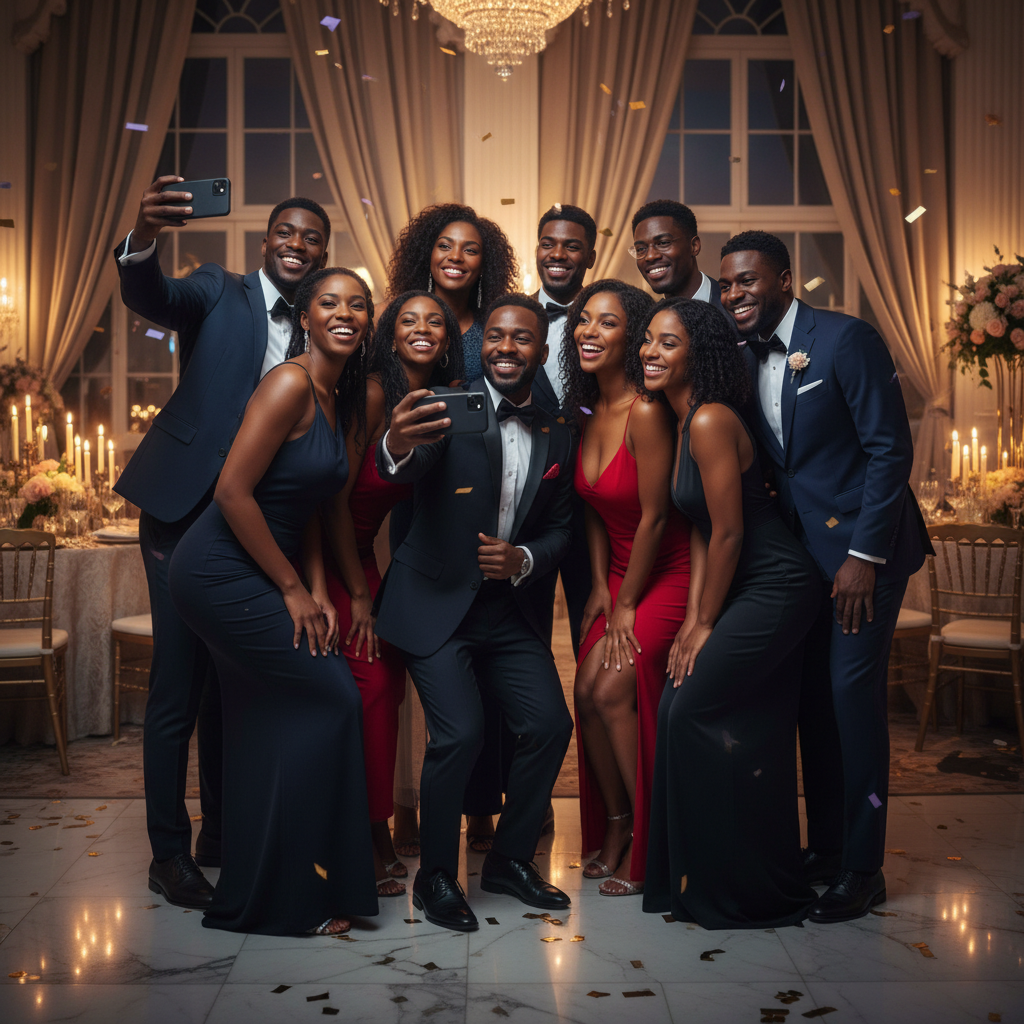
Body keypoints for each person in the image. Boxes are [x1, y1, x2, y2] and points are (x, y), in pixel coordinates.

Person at [114, 175, 330, 909]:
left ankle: (221, 832)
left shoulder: (321, 330)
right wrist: (144, 236)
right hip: (182, 512)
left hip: (258, 526)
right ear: (265, 240)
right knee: (179, 682)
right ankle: (168, 854)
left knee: (232, 680)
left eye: (312, 238)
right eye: (287, 232)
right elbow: (152, 298)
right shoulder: (220, 290)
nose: (298, 244)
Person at [719, 231, 932, 923]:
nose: (735, 294)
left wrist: (864, 559)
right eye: (726, 286)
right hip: (806, 561)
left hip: (867, 557)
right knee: (814, 703)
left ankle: (863, 867)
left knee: (851, 698)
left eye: (747, 281)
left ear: (785, 278)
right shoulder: (742, 357)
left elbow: (888, 449)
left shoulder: (845, 339)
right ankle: (830, 848)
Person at [168, 268, 378, 936]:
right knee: (333, 697)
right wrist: (291, 588)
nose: (346, 312)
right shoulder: (288, 382)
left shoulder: (338, 396)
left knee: (264, 721)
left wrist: (319, 587)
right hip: (219, 569)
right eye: (330, 303)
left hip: (271, 567)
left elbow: (314, 507)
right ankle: (294, 891)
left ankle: (267, 893)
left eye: (359, 305)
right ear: (305, 319)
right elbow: (232, 491)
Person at [374, 294, 575, 933]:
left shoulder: (556, 429)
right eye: (495, 337)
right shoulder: (444, 408)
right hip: (435, 604)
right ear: (480, 345)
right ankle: (436, 876)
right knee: (460, 734)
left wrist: (523, 558)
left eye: (521, 339)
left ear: (540, 353)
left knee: (549, 725)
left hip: (505, 610)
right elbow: (404, 465)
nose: (506, 348)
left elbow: (564, 527)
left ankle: (509, 861)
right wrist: (395, 445)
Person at [640, 296, 820, 929]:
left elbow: (730, 535)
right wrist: (692, 617)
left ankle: (739, 886)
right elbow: (697, 528)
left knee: (689, 710)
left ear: (700, 352)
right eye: (649, 341)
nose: (649, 352)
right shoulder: (682, 417)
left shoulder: (712, 418)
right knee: (677, 706)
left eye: (667, 343)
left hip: (775, 584)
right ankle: (692, 878)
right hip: (737, 586)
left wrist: (705, 624)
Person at [320, 289, 465, 896]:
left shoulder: (443, 401)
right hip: (329, 552)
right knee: (376, 687)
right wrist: (355, 590)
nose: (423, 328)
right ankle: (370, 835)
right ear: (390, 333)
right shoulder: (375, 391)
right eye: (408, 320)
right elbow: (332, 496)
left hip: (367, 555)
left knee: (386, 691)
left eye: (435, 321)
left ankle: (366, 827)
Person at [562, 279, 690, 897]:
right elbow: (590, 506)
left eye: (606, 324)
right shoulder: (587, 410)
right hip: (615, 574)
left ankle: (648, 837)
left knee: (611, 690)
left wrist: (628, 604)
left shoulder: (646, 409)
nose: (589, 331)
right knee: (584, 693)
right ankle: (615, 825)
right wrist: (597, 586)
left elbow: (658, 516)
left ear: (632, 338)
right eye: (584, 321)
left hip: (666, 573)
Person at [387, 203, 518, 382]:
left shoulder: (491, 329)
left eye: (470, 250)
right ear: (428, 254)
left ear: (484, 265)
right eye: (445, 246)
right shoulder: (392, 318)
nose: (455, 256)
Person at [630, 200, 731, 318]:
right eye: (641, 249)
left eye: (663, 243)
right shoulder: (648, 320)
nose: (650, 256)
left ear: (694, 246)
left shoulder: (732, 306)